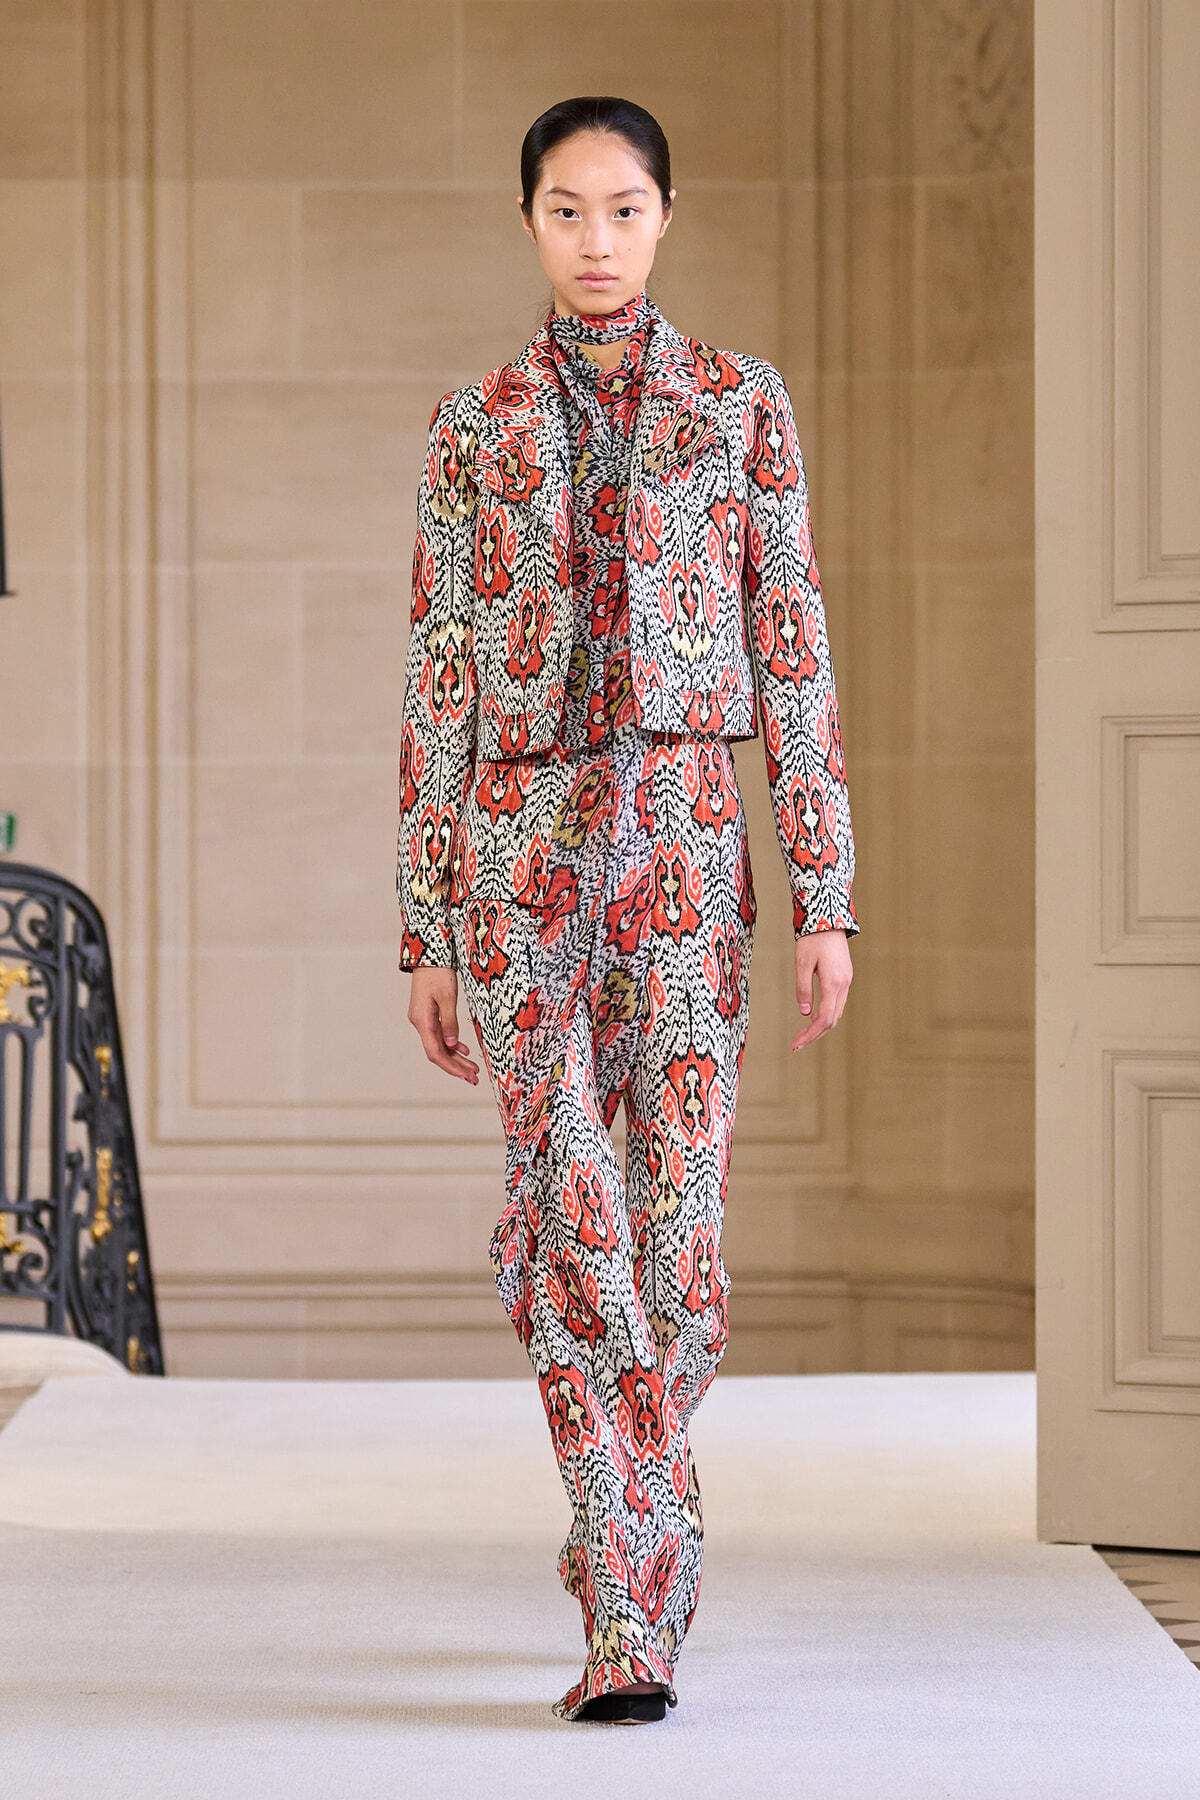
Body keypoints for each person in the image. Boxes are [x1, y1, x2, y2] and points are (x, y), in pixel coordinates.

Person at [397, 95, 857, 1726]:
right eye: (567, 210)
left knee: (678, 1243)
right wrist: (424, 927)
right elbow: (438, 682)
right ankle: (633, 1583)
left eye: (626, 209)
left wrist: (826, 895)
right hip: (519, 866)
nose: (598, 240)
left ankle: (629, 1514)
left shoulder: (744, 408)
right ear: (529, 219)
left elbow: (790, 648)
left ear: (670, 216)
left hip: (682, 853)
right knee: (572, 1203)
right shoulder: (475, 426)